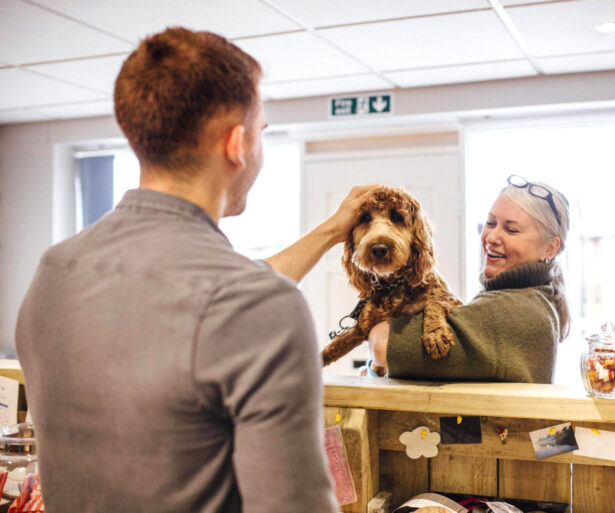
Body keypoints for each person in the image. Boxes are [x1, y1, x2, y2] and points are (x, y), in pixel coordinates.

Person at [15, 27, 374, 513]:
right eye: (262, 133)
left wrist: (332, 231)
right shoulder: (255, 305)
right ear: (236, 144)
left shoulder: (54, 273)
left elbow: (211, 299)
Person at [365, 175, 570, 382]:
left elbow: (383, 346)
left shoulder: (513, 310)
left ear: (550, 248)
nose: (491, 237)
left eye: (511, 229)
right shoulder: (533, 299)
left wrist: (375, 327)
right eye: (491, 223)